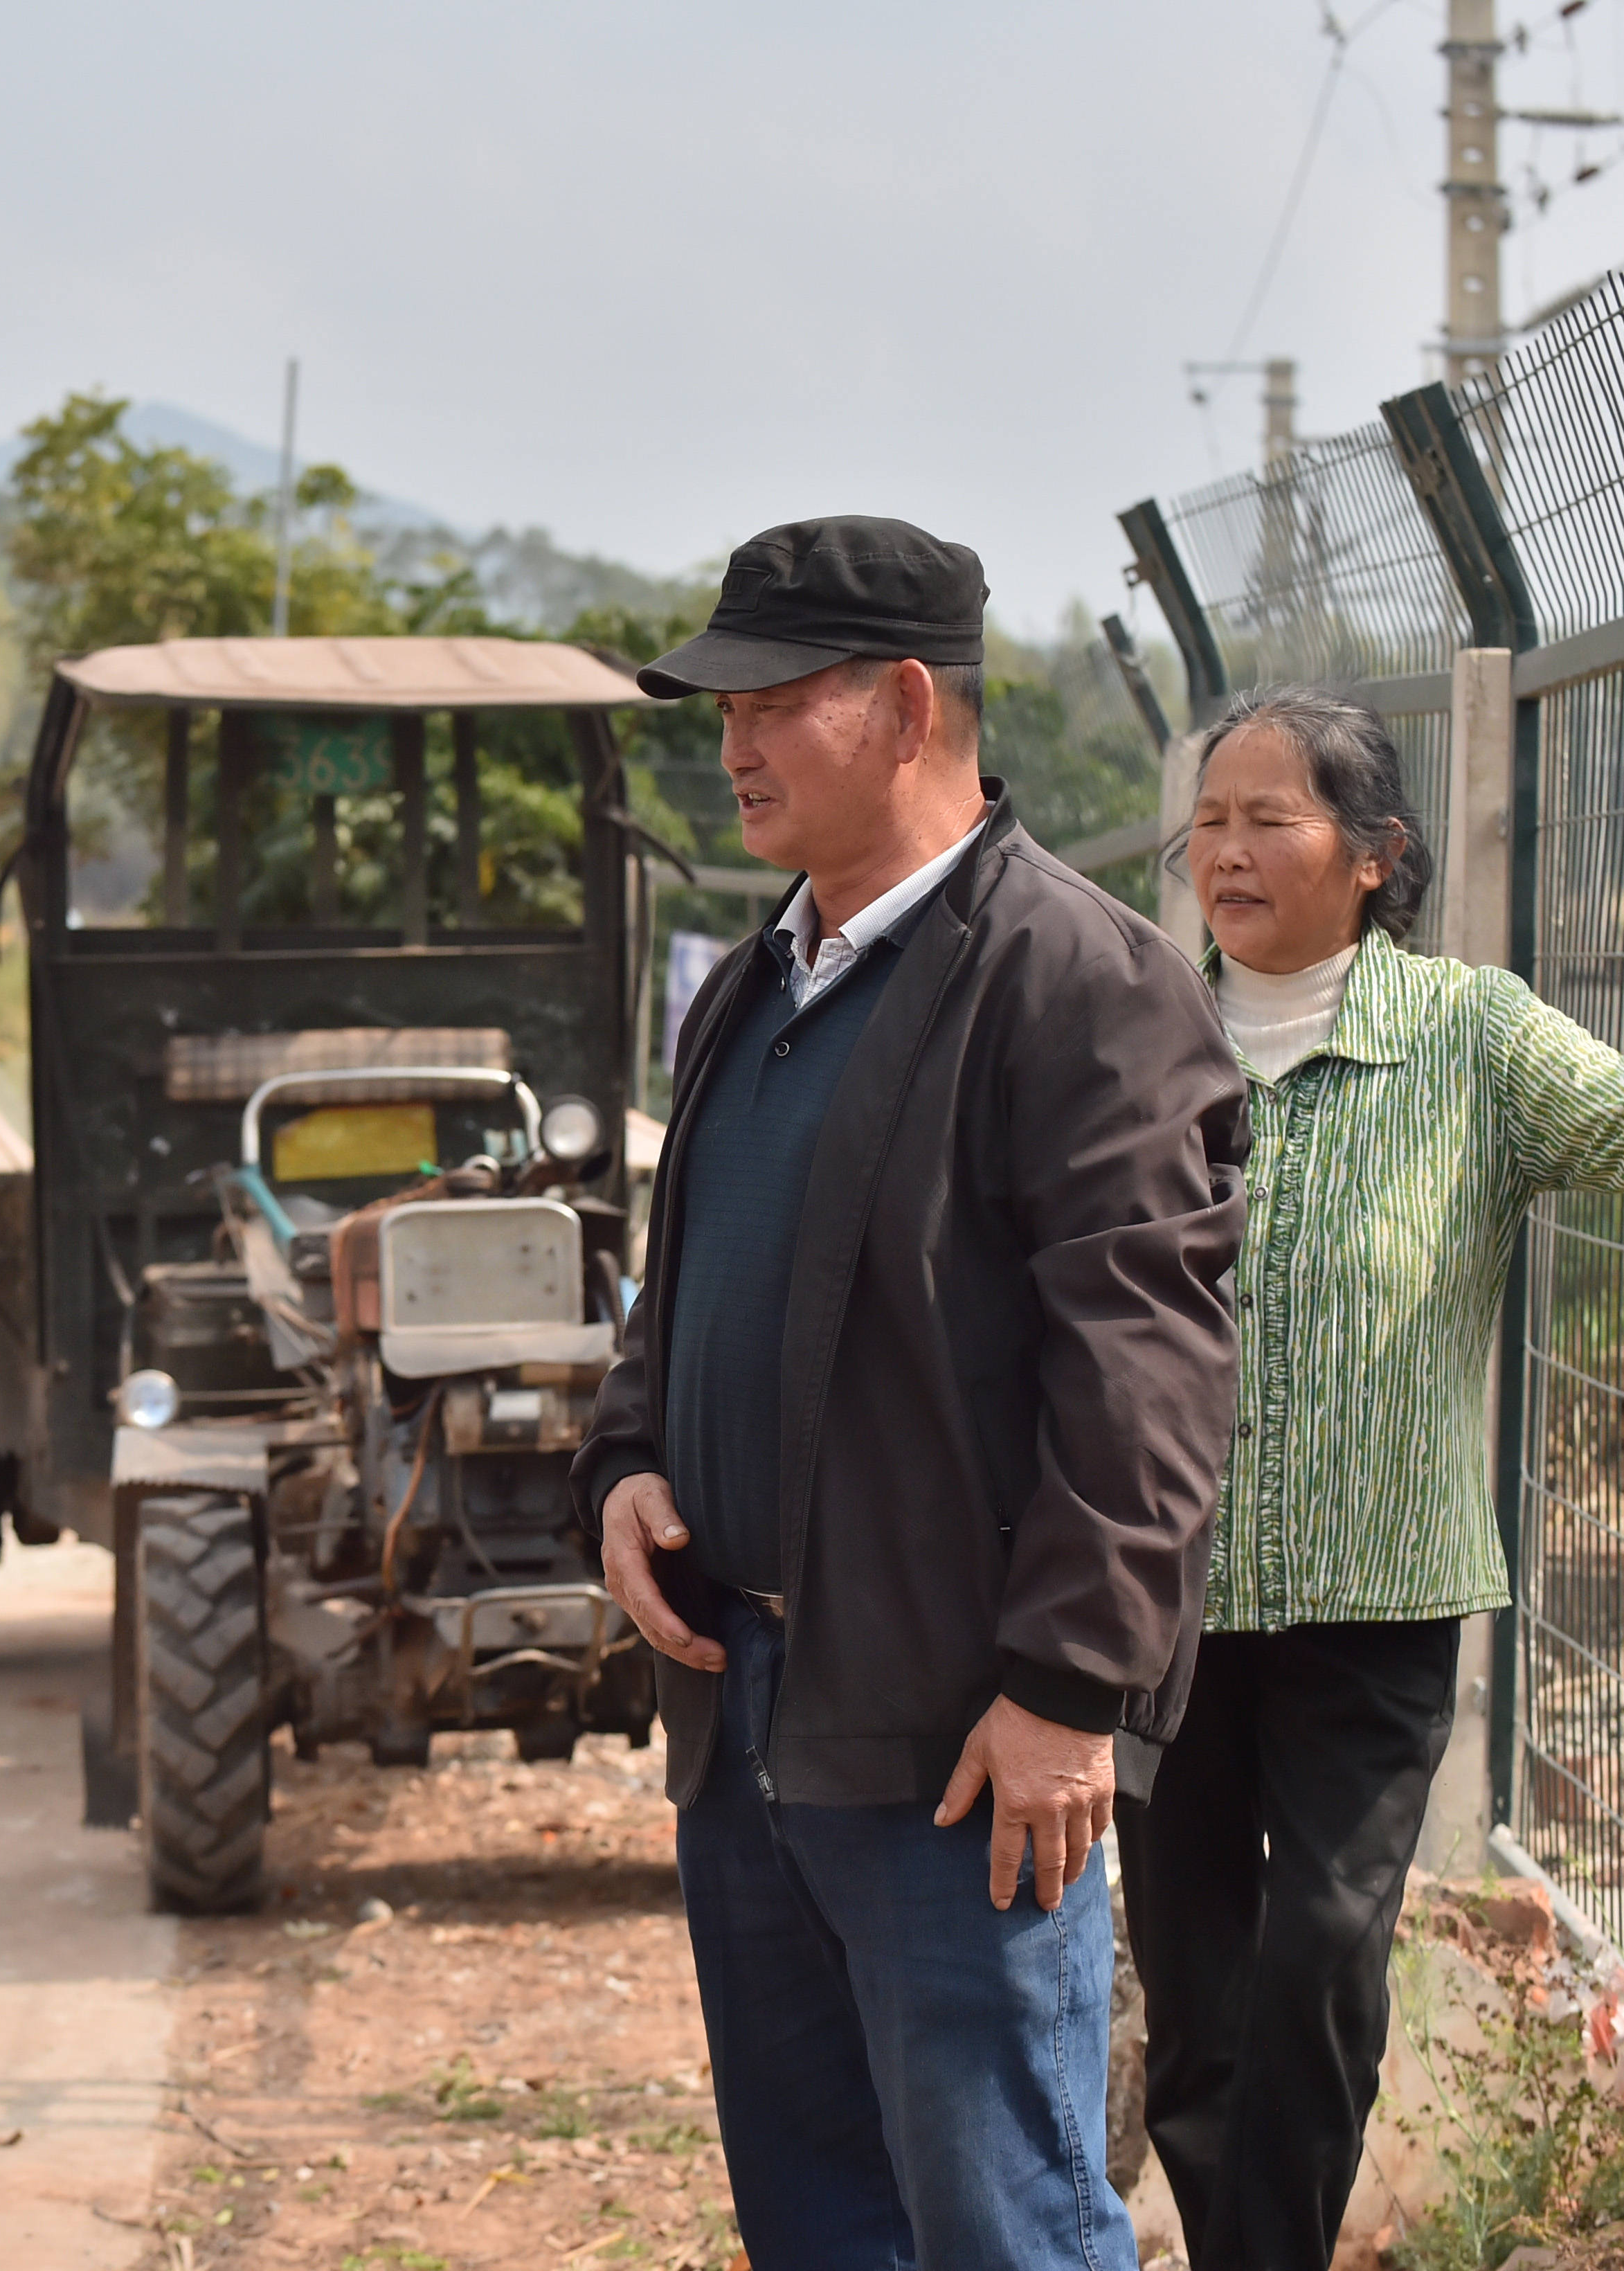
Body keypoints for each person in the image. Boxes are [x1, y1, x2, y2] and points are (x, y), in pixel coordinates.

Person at [574, 517, 1250, 2269]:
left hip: (961, 1742)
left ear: (901, 703)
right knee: (817, 2217)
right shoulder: (754, 984)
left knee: (1003, 2222)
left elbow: (1149, 1372)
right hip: (752, 1717)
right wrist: (630, 1458)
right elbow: (685, 1273)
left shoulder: (1079, 987)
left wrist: (1064, 1688)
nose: (728, 743)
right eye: (717, 704)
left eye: (771, 701)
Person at [1121, 685, 1624, 2271]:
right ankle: (1236, 2236)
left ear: (1375, 853)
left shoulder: (1469, 1031)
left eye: (1271, 817)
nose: (1227, 850)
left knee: (1320, 1954)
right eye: (1211, 818)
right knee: (1192, 1989)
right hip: (1155, 1597)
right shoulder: (1131, 1023)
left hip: (1374, 1597)